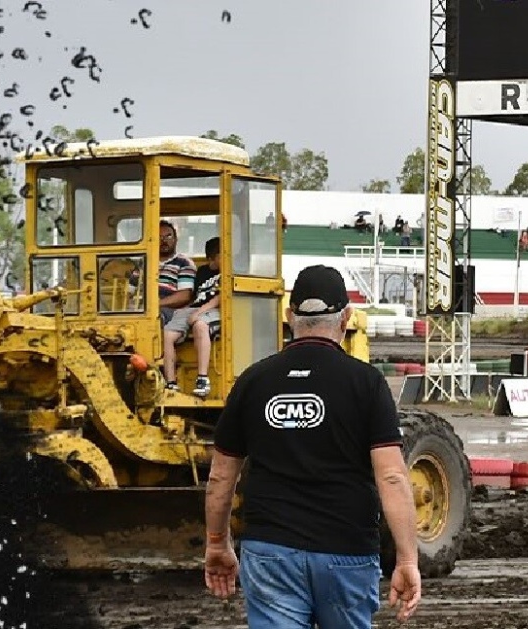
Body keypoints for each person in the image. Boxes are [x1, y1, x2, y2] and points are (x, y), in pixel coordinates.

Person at [203, 264, 422, 629]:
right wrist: (407, 559)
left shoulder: (253, 381)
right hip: (346, 551)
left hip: (270, 551)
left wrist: (216, 543)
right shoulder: (366, 383)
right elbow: (393, 478)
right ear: (346, 318)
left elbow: (220, 478)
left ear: (289, 317)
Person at [162, 237, 221, 397]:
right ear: (212, 257)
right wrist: (183, 311)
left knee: (200, 325)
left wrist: (199, 312)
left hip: (216, 310)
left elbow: (220, 298)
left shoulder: (228, 272)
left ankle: (202, 379)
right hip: (194, 308)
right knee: (167, 334)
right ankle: (171, 382)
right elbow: (195, 297)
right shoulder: (202, 272)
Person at [157, 220, 197, 325]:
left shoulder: (184, 263)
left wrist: (155, 304)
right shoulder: (144, 262)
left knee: (155, 318)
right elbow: (130, 290)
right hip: (140, 309)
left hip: (169, 310)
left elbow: (184, 296)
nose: (163, 240)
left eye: (168, 236)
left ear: (175, 240)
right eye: (159, 237)